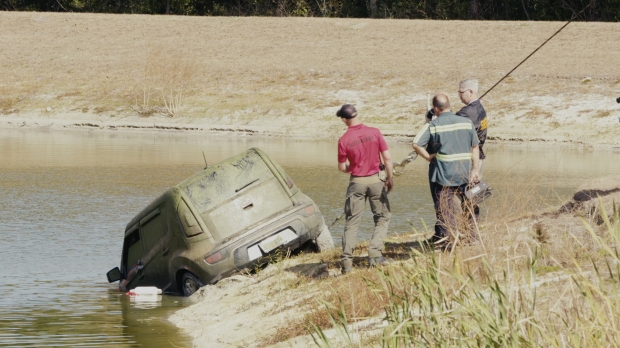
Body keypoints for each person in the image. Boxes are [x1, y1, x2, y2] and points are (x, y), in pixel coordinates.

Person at [412, 94, 480, 248]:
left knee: (444, 209)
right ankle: (472, 237)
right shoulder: (466, 122)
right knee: (471, 205)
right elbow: (475, 146)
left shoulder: (433, 125)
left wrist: (429, 157)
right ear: (449, 105)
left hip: (443, 175)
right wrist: (475, 169)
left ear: (435, 109)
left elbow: (416, 144)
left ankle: (448, 242)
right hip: (466, 173)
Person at [336, 104, 394, 274]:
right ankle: (375, 254)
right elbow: (388, 159)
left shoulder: (343, 139)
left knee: (352, 223)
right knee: (383, 216)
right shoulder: (375, 132)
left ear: (344, 119)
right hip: (376, 181)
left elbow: (341, 167)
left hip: (356, 183)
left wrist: (352, 168)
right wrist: (390, 178)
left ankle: (346, 263)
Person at [456, 79, 487, 177]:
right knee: (475, 190)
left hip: (470, 159)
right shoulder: (480, 108)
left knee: (466, 191)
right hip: (479, 157)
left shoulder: (468, 112)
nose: (459, 95)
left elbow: (449, 122)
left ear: (470, 92)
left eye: (461, 92)